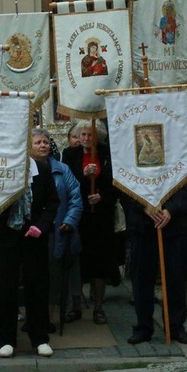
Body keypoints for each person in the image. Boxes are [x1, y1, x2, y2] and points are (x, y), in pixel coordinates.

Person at [0, 151, 59, 358]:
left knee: (37, 285)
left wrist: (41, 226)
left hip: (34, 236)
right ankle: (6, 340)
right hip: (6, 235)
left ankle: (40, 339)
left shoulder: (42, 169)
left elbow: (52, 202)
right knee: (4, 286)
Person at [122, 164, 187, 345]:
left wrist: (171, 209)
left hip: (174, 224)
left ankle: (175, 326)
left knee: (175, 277)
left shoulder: (179, 150)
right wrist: (143, 206)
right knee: (141, 279)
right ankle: (143, 327)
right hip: (142, 225)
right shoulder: (131, 150)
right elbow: (124, 182)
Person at [61, 120, 119, 325]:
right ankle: (75, 306)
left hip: (101, 217)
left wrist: (102, 196)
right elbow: (65, 183)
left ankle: (98, 307)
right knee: (76, 262)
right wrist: (82, 175)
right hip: (78, 216)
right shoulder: (70, 155)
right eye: (83, 134)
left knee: (99, 262)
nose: (86, 138)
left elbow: (117, 183)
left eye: (90, 135)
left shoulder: (107, 154)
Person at [29, 129, 83, 330]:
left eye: (45, 142)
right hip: (31, 231)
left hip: (56, 230)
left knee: (53, 275)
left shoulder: (62, 169)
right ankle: (33, 316)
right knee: (33, 274)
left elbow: (75, 197)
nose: (43, 145)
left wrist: (69, 220)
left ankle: (49, 318)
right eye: (38, 142)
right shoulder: (23, 169)